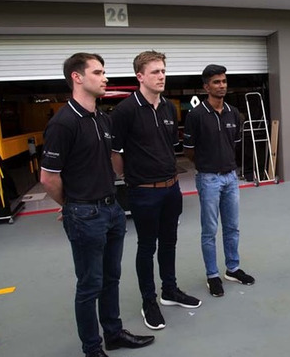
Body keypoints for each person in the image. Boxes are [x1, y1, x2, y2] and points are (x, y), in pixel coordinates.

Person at [40, 52, 154, 357]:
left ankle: (114, 333)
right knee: (89, 285)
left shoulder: (101, 119)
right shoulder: (63, 123)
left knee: (111, 278)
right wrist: (72, 205)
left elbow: (107, 162)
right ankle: (93, 349)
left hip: (112, 210)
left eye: (104, 72)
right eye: (98, 72)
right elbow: (49, 177)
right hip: (85, 213)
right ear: (77, 77)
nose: (105, 78)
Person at [110, 50, 201, 331]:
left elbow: (168, 147)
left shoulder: (169, 108)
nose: (161, 76)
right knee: (146, 247)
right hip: (143, 192)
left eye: (163, 71)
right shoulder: (125, 111)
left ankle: (169, 290)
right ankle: (149, 300)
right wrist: (131, 177)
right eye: (155, 72)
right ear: (140, 76)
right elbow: (115, 153)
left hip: (171, 188)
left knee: (170, 241)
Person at [183, 64, 256, 297]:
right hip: (208, 179)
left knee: (232, 226)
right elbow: (189, 151)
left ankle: (232, 268)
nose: (222, 85)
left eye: (224, 81)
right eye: (216, 82)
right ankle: (212, 275)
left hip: (231, 178)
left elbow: (232, 142)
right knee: (210, 230)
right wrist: (207, 166)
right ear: (206, 86)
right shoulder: (196, 116)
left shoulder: (234, 113)